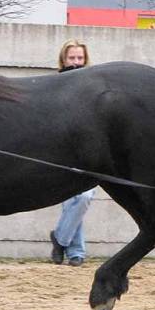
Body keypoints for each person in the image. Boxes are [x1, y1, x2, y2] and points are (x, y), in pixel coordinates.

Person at [48, 39, 95, 267]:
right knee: (71, 203)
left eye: (79, 58)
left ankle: (60, 240)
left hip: (90, 152)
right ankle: (76, 253)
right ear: (64, 59)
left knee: (83, 198)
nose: (76, 62)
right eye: (72, 58)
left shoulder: (92, 84)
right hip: (63, 152)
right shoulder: (56, 85)